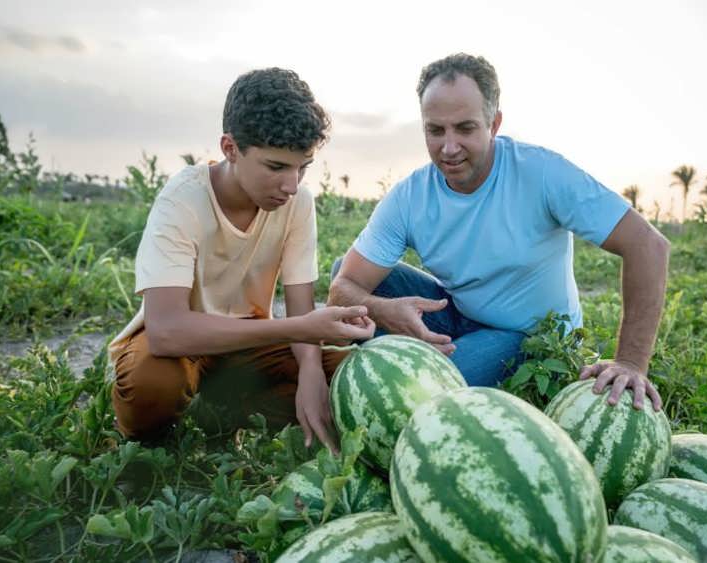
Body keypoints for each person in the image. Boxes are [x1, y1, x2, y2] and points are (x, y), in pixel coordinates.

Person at [328, 53, 669, 409]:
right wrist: (382, 309)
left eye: (465, 128)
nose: (448, 147)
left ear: (494, 124)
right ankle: (409, 361)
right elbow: (341, 289)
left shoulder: (541, 173)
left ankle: (418, 372)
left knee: (425, 395)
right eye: (435, 130)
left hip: (530, 337)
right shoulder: (410, 197)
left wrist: (631, 362)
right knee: (350, 275)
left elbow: (647, 245)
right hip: (457, 315)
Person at [108, 68, 375, 451]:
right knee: (153, 382)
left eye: (303, 166)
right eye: (276, 166)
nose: (292, 184)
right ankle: (145, 439)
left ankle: (225, 410)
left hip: (249, 348)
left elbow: (302, 313)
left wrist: (312, 372)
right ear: (230, 148)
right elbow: (166, 329)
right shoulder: (183, 199)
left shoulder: (298, 203)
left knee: (349, 372)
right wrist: (296, 330)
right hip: (184, 344)